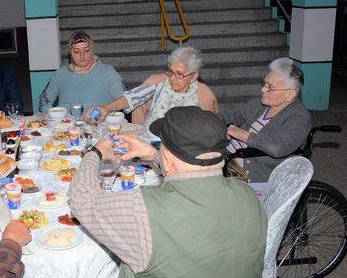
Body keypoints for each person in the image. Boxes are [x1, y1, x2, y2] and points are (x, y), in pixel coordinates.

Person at [69, 106, 267, 278]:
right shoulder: (248, 194)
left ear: (169, 157)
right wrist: (155, 156)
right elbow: (193, 173)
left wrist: (93, 154)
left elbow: (81, 201)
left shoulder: (142, 208)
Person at [222, 58, 311, 183]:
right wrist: (206, 120)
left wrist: (240, 133)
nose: (263, 89)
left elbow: (278, 146)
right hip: (228, 155)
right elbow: (232, 115)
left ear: (290, 95)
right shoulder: (259, 104)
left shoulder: (299, 117)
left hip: (249, 169)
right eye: (264, 84)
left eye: (270, 87)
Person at [86, 46, 218, 128]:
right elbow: (132, 97)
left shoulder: (204, 95)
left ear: (194, 76)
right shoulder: (159, 83)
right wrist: (106, 108)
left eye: (179, 74)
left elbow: (211, 130)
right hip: (152, 142)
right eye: (170, 71)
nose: (172, 78)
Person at [38, 30, 125, 112]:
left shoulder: (107, 72)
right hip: (66, 125)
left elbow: (124, 101)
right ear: (70, 53)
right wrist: (54, 116)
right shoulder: (59, 74)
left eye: (86, 50)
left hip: (99, 125)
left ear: (92, 51)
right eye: (76, 51)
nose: (82, 56)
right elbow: (44, 102)